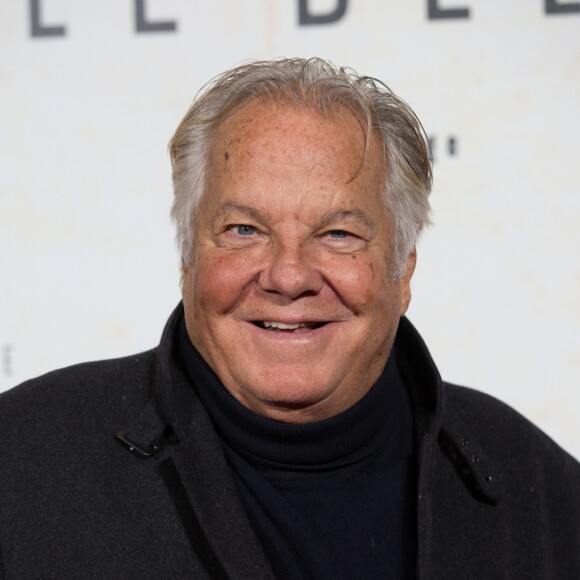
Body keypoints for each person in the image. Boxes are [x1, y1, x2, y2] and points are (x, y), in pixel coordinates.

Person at [0, 58, 578, 580]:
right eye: (244, 230)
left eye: (338, 234)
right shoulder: (21, 465)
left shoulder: (541, 495)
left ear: (403, 269)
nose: (288, 275)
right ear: (187, 256)